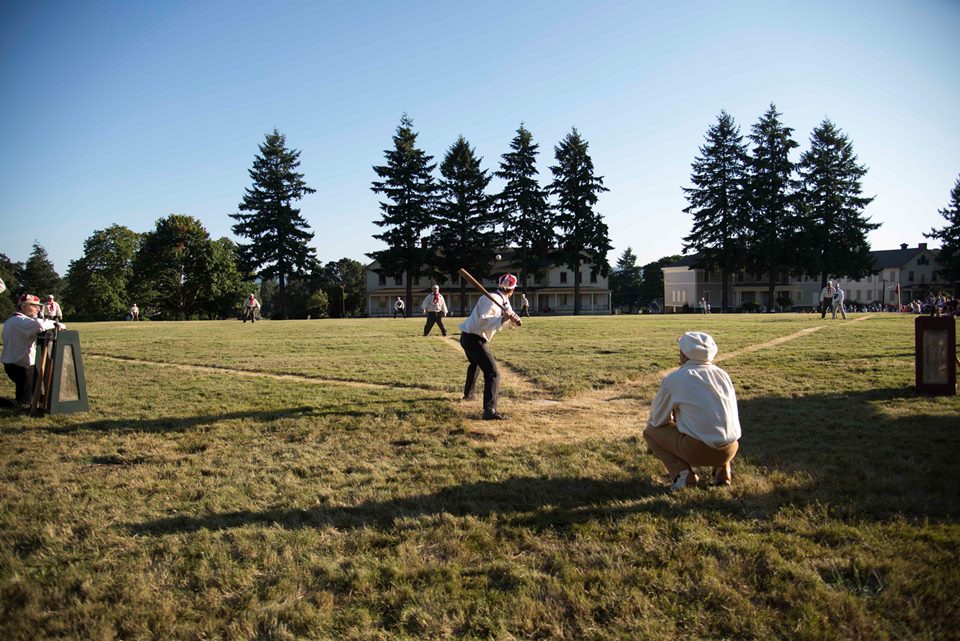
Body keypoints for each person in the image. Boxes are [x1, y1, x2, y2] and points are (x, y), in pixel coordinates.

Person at [643, 331, 742, 490]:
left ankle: (683, 475)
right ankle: (723, 470)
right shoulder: (723, 375)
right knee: (718, 422)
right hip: (730, 448)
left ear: (684, 355)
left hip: (698, 450)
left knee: (650, 431)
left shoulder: (675, 379)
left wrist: (677, 419)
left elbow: (658, 420)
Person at [459, 274, 523, 420]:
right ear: (512, 289)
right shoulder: (492, 300)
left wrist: (514, 320)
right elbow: (484, 322)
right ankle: (489, 411)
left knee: (475, 364)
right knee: (493, 373)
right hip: (473, 339)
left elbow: (508, 315)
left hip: (467, 337)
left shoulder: (503, 300)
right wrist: (504, 318)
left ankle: (468, 395)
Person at [2, 294, 64, 409]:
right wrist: (56, 324)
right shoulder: (21, 321)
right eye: (34, 306)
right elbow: (39, 325)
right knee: (24, 403)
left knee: (29, 393)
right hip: (22, 366)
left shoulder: (11, 321)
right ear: (23, 306)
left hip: (12, 363)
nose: (38, 309)